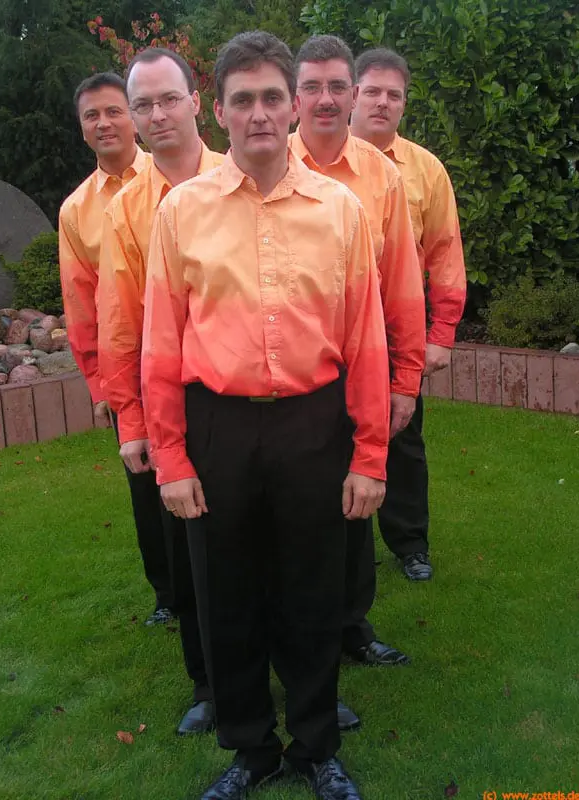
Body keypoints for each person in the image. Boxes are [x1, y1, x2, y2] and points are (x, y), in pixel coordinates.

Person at [141, 30, 390, 800]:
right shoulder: (181, 212)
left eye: (271, 97)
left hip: (314, 424)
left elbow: (366, 340)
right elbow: (160, 343)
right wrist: (171, 458)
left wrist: (370, 455)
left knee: (314, 590)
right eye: (242, 99)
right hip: (217, 425)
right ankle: (251, 747)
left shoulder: (341, 210)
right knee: (227, 594)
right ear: (218, 111)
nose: (258, 113)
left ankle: (316, 745)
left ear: (294, 107)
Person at [291, 35, 425, 695]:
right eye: (311, 86)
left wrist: (405, 382)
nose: (325, 99)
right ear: (294, 97)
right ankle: (295, 636)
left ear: (351, 93)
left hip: (362, 366)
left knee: (357, 501)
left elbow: (403, 288)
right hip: (290, 375)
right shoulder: (261, 165)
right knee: (293, 510)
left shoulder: (382, 176)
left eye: (336, 86)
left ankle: (352, 626)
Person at [97, 48, 223, 736]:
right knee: (190, 552)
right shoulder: (126, 211)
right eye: (142, 104)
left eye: (168, 98)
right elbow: (120, 324)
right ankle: (208, 683)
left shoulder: (243, 179)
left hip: (244, 395)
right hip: (170, 400)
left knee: (269, 545)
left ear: (196, 101)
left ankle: (293, 674)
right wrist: (132, 421)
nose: (156, 114)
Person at [58, 73, 175, 628]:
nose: (103, 123)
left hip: (190, 358)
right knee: (146, 485)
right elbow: (82, 306)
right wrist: (101, 386)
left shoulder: (173, 177)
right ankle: (168, 593)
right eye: (91, 116)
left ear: (133, 117)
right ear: (82, 128)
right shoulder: (76, 211)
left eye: (113, 111)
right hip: (129, 366)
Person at [351, 47, 467, 581]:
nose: (382, 102)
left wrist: (440, 333)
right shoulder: (307, 160)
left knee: (402, 436)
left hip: (397, 330)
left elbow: (444, 252)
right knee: (326, 440)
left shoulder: (425, 169)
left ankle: (410, 543)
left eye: (393, 95)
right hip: (328, 332)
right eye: (373, 91)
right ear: (354, 94)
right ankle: (344, 543)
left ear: (404, 103)